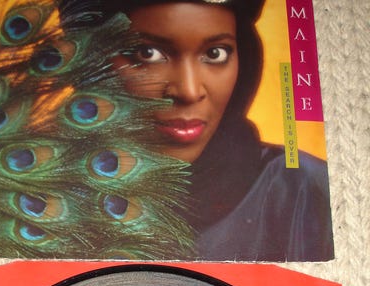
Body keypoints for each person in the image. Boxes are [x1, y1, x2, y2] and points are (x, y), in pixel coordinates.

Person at [94, 0, 334, 261]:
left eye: (215, 53)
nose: (189, 91)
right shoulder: (63, 198)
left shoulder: (305, 189)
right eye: (147, 53)